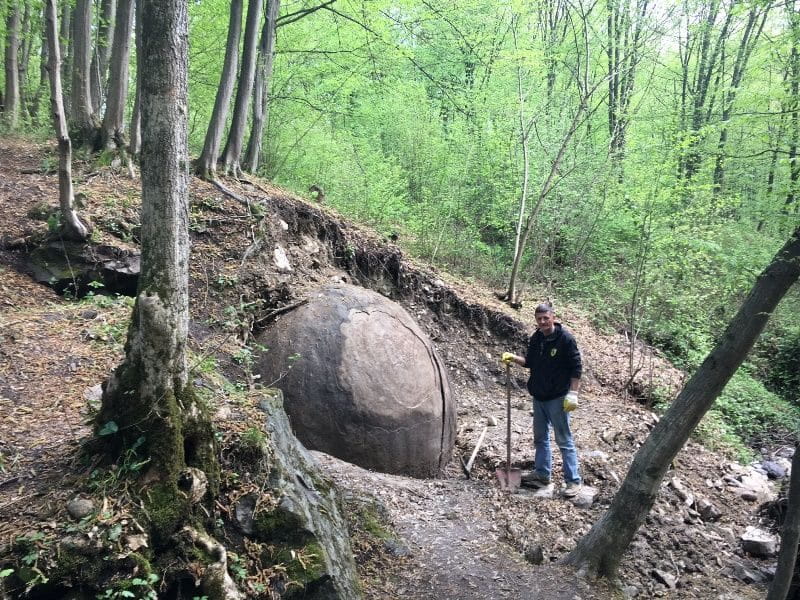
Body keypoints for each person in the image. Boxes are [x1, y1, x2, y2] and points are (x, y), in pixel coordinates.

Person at [501, 303, 583, 497]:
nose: (543, 322)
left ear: (553, 317)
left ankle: (573, 481)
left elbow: (576, 367)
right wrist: (513, 358)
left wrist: (573, 393)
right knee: (540, 438)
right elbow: (529, 362)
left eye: (546, 318)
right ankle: (542, 474)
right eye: (539, 319)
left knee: (563, 440)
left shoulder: (565, 339)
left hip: (558, 397)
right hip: (539, 397)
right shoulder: (537, 338)